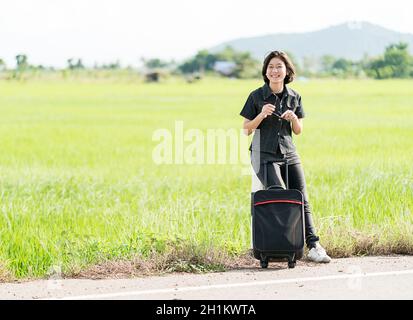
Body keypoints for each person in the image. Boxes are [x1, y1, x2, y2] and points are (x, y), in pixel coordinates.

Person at [240, 50, 331, 263]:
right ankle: (277, 246)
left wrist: (293, 119)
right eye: (271, 67)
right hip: (262, 153)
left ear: (287, 70)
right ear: (266, 72)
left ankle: (313, 245)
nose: (275, 71)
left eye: (279, 66)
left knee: (301, 198)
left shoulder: (294, 96)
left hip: (289, 152)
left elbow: (298, 130)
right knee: (278, 194)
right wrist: (261, 115)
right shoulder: (256, 96)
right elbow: (246, 129)